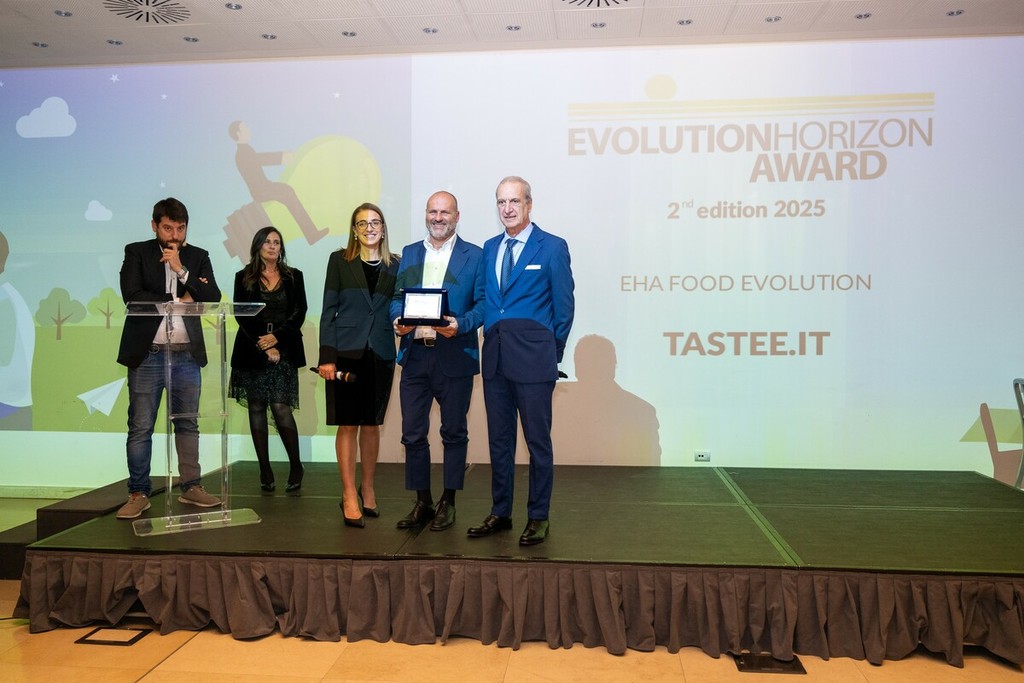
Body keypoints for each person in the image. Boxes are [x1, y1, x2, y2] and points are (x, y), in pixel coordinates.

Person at [467, 176, 575, 546]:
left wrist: (549, 353)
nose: (508, 209)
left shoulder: (552, 247)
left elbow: (564, 308)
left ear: (529, 204)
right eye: (501, 202)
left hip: (534, 361)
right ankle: (501, 512)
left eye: (514, 201)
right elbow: (486, 301)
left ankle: (538, 516)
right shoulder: (489, 247)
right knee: (499, 442)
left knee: (537, 443)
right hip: (495, 360)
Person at [116, 197, 223, 520]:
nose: (174, 235)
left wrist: (181, 270)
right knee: (141, 426)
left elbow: (212, 295)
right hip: (147, 355)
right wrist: (177, 299)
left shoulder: (198, 257)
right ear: (154, 226)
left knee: (188, 423)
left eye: (180, 228)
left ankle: (191, 486)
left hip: (186, 355)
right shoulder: (137, 252)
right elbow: (132, 295)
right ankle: (139, 492)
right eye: (167, 228)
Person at [390, 191, 484, 532]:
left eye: (445, 212)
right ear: (426, 214)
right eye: (433, 211)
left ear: (457, 216)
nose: (438, 217)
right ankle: (423, 501)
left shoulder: (476, 256)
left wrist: (461, 324)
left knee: (454, 433)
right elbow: (397, 298)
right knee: (412, 434)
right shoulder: (410, 252)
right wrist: (397, 320)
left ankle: (449, 501)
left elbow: (483, 304)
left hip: (455, 355)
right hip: (415, 356)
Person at [318, 202, 400, 528]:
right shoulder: (339, 260)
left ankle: (368, 487)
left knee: (371, 424)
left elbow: (401, 306)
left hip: (381, 352)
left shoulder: (397, 264)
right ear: (354, 230)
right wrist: (326, 357)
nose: (369, 228)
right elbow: (328, 310)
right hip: (345, 353)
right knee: (348, 424)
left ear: (383, 228)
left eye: (375, 222)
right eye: (362, 223)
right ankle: (349, 493)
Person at [229, 226, 308, 493]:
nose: (273, 246)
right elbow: (242, 315)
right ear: (258, 246)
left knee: (280, 406)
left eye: (277, 242)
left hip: (285, 348)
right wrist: (263, 344)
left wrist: (276, 340)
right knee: (256, 406)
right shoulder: (243, 277)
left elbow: (300, 311)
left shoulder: (294, 276)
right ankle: (265, 468)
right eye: (267, 242)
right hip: (252, 349)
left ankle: (296, 465)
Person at [229, 120, 329, 245]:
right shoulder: (243, 152)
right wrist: (282, 157)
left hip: (264, 188)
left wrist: (282, 156)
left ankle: (312, 234)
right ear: (238, 133)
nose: (248, 131)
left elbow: (258, 159)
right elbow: (259, 159)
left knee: (287, 191)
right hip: (262, 191)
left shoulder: (244, 150)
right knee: (288, 193)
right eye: (244, 128)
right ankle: (312, 234)